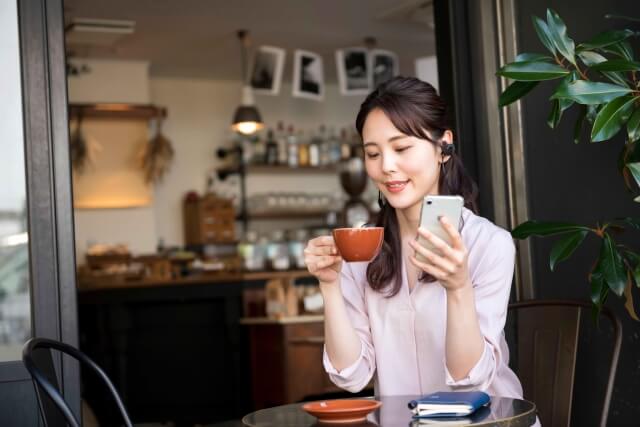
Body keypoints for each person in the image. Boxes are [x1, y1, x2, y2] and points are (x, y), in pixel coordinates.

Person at [303, 76, 524, 399]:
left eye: (402, 147)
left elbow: (469, 379)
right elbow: (350, 376)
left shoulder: (489, 243)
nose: (387, 167)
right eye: (373, 153)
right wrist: (329, 286)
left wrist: (458, 287)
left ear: (443, 147)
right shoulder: (362, 248)